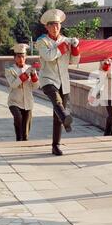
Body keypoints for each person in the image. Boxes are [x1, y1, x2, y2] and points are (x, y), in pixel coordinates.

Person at [35, 9, 80, 156]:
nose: (56, 28)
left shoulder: (66, 40)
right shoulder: (42, 41)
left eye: (58, 25)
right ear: (46, 27)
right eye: (52, 25)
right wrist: (63, 47)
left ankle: (56, 145)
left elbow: (74, 61)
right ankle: (65, 117)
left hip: (63, 81)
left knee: (57, 117)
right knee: (57, 102)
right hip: (48, 79)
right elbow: (48, 56)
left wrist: (74, 48)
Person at [5, 44, 40, 141]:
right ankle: (18, 139)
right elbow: (13, 84)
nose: (21, 59)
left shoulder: (29, 68)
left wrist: (33, 75)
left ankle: (23, 142)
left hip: (28, 102)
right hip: (14, 101)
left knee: (25, 131)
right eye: (19, 56)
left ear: (26, 57)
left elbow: (36, 86)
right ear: (14, 58)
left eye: (23, 56)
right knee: (18, 118)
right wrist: (25, 74)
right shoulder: (10, 70)